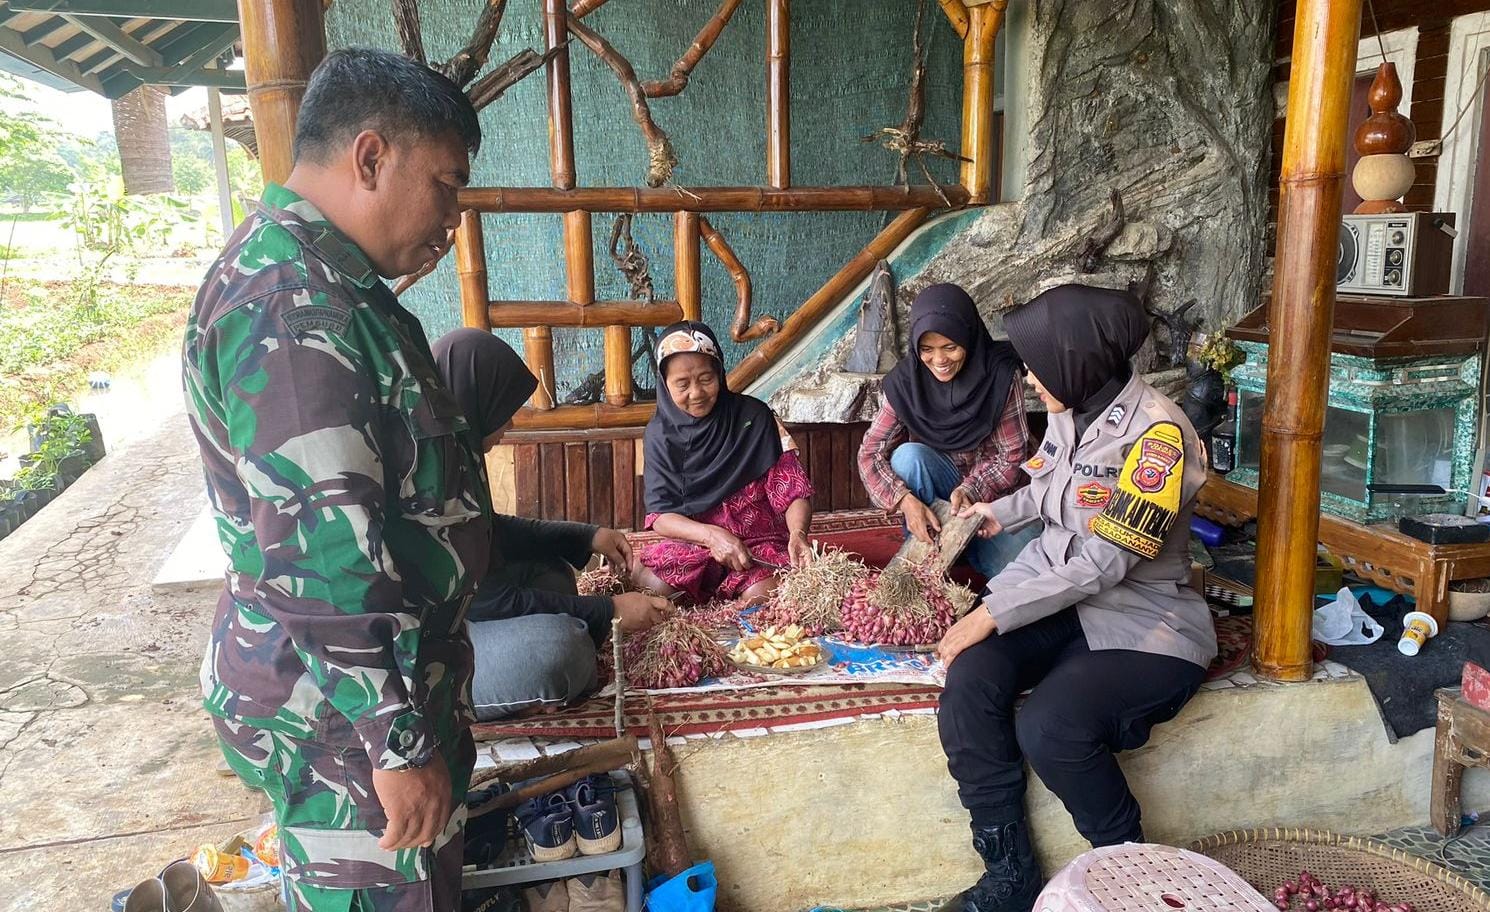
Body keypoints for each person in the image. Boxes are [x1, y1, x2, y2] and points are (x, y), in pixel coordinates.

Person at [184, 49, 490, 911]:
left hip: (366, 704)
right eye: (447, 186)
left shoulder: (333, 288)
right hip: (345, 724)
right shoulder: (289, 304)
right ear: (370, 157)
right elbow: (321, 548)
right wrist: (396, 742)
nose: (453, 219)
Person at [934, 284, 1217, 912]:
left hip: (1144, 620)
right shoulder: (1072, 405)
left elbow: (1106, 563)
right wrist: (998, 511)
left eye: (1037, 366)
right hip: (1062, 600)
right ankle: (1009, 875)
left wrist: (993, 611)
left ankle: (1130, 879)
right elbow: (1050, 489)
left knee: (1051, 725)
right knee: (970, 680)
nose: (1030, 379)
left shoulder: (1159, 438)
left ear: (1077, 360)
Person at [431, 328, 670, 721]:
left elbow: (491, 530)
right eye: (502, 408)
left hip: (468, 612)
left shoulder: (456, 455)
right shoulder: (431, 480)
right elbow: (495, 602)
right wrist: (610, 610)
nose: (510, 423)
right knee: (563, 650)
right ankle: (504, 691)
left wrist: (586, 536)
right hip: (431, 652)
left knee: (552, 572)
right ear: (474, 399)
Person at [856, 282, 1035, 579]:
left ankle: (964, 547)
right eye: (927, 349)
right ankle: (930, 552)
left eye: (950, 347)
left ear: (968, 337)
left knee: (1026, 575)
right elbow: (869, 454)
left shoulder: (1000, 375)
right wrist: (903, 500)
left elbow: (1012, 457)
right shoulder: (906, 383)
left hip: (993, 501)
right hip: (939, 495)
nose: (939, 361)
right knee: (908, 458)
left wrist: (971, 490)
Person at [632, 321, 814, 604]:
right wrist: (711, 536)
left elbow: (793, 491)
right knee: (655, 587)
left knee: (765, 594)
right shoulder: (659, 436)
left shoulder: (754, 417)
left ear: (719, 373)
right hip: (696, 544)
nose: (696, 393)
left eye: (706, 379)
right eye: (682, 384)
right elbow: (661, 516)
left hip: (757, 544)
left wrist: (798, 534)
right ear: (664, 384)